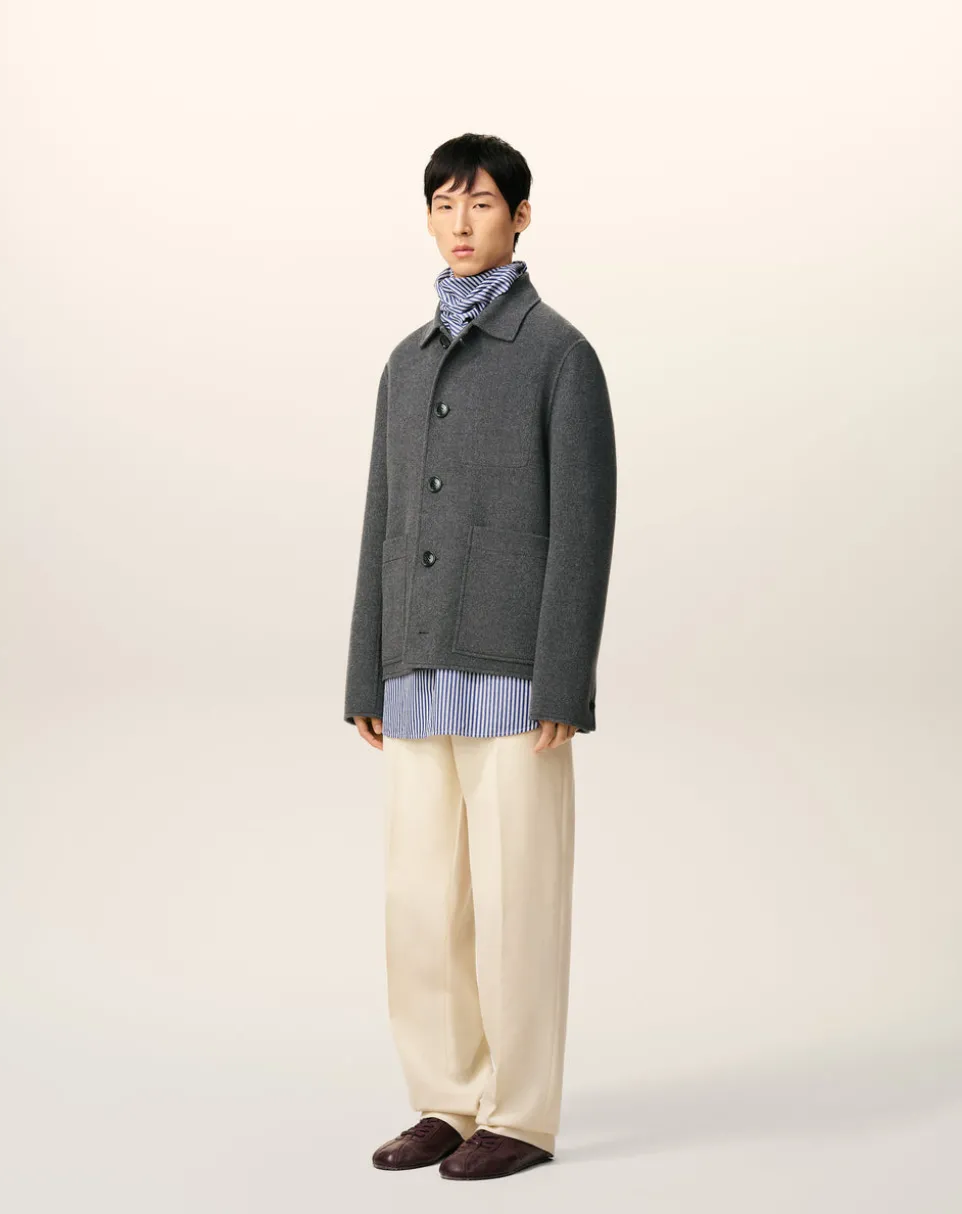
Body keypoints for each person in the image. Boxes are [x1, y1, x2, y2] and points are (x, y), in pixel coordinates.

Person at [343, 132, 617, 1180]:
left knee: (517, 904)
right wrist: (365, 669)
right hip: (415, 669)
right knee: (420, 905)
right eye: (444, 205)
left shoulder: (558, 354)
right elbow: (381, 519)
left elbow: (584, 527)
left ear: (521, 216)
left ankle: (522, 1115)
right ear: (428, 218)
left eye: (483, 203)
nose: (461, 224)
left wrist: (565, 678)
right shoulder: (404, 364)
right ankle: (445, 1101)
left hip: (516, 679)